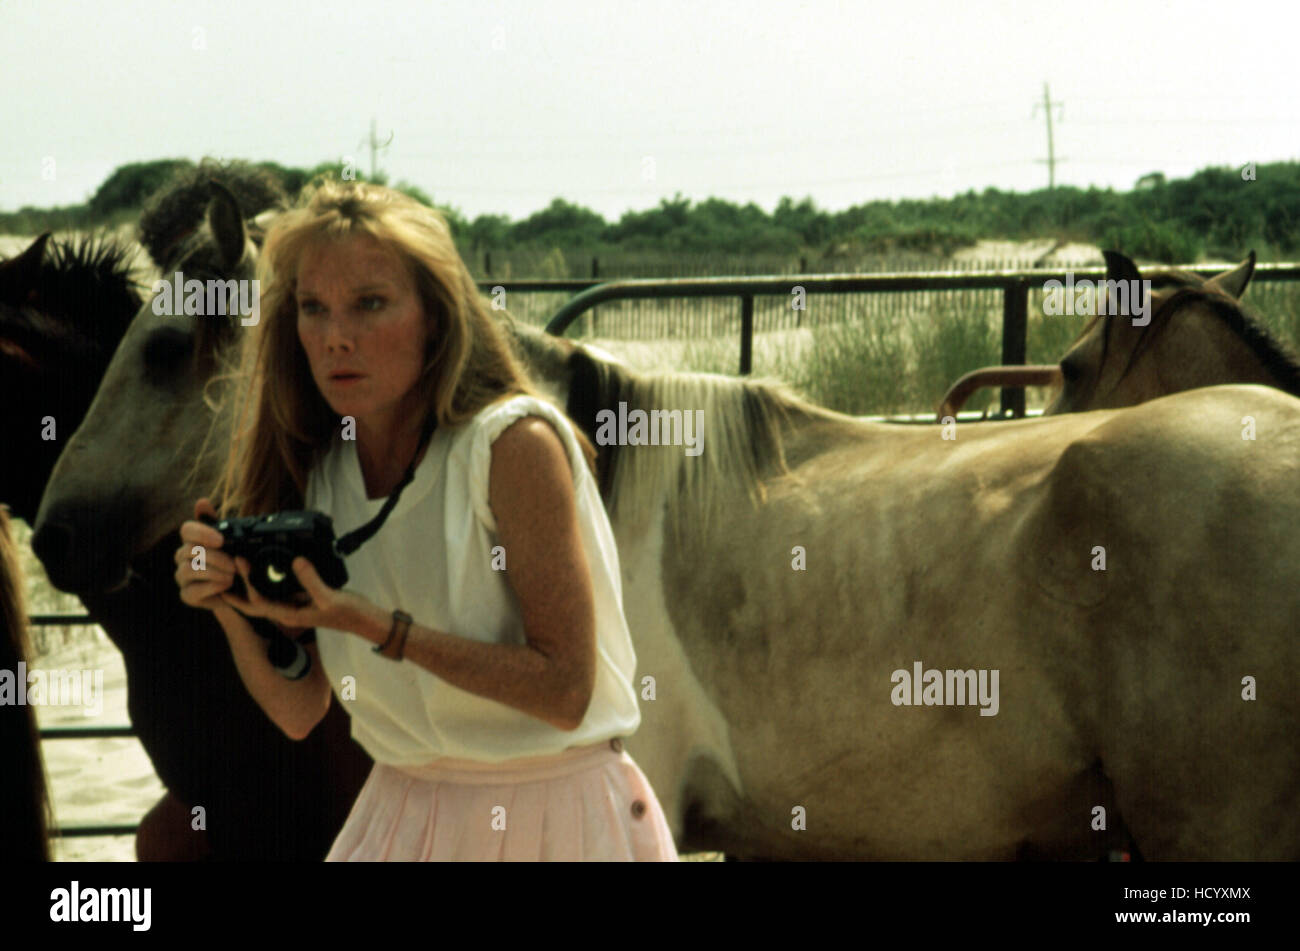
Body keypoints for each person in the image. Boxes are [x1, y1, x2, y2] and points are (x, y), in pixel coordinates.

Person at [173, 179, 677, 861]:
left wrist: (374, 626)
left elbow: (565, 689)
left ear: (436, 316)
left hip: (554, 817)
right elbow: (300, 713)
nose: (336, 338)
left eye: (370, 303)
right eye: (314, 308)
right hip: (402, 812)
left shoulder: (511, 447)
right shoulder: (325, 469)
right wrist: (231, 607)